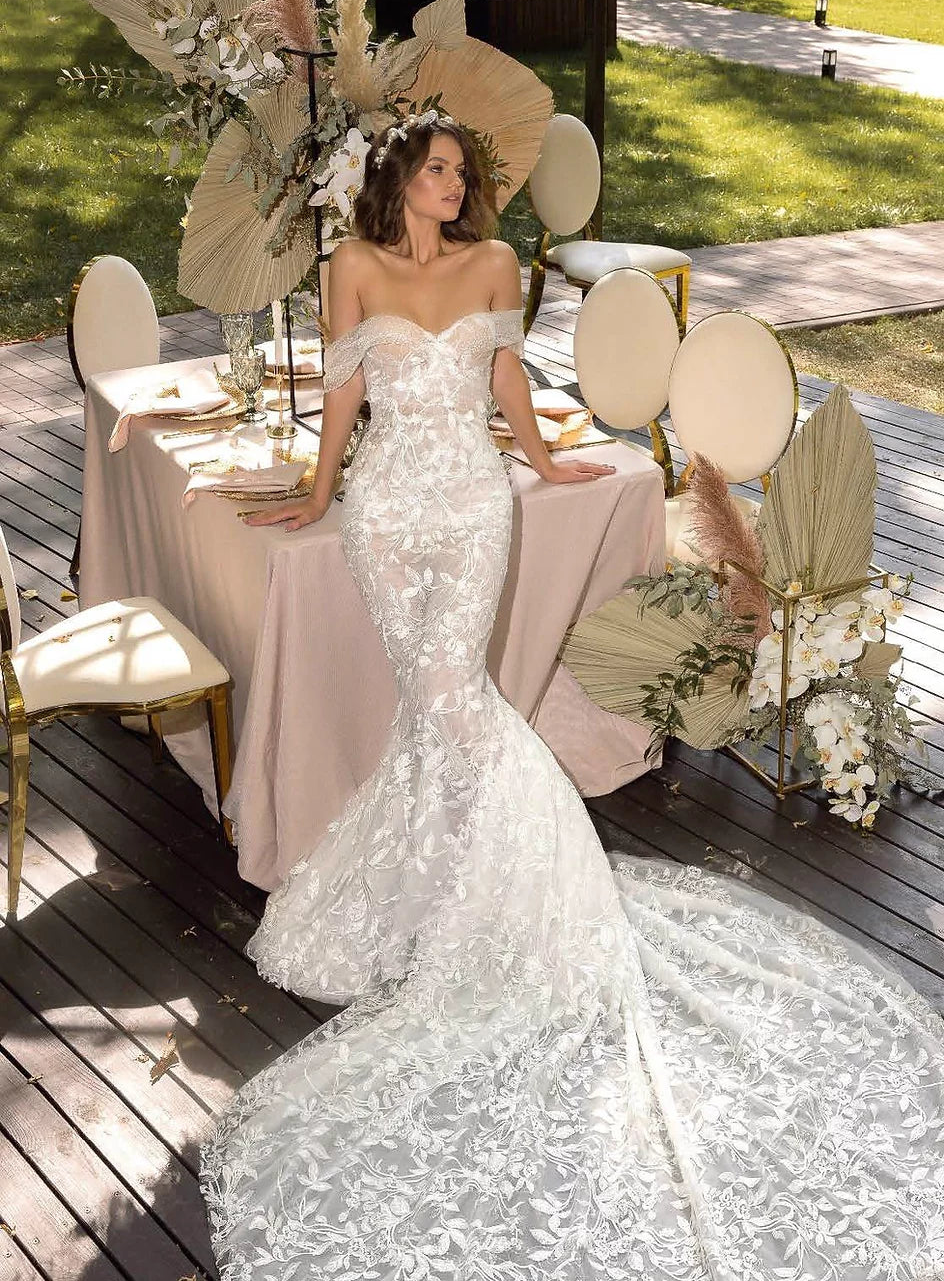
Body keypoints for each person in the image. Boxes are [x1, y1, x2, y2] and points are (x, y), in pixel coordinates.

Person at [201, 112, 944, 1280]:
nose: (455, 187)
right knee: (435, 708)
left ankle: (538, 906)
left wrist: (548, 465)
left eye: (462, 173)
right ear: (398, 176)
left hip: (473, 505)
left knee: (455, 698)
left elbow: (503, 378)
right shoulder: (350, 267)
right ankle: (451, 884)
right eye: (438, 170)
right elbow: (343, 399)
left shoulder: (496, 264)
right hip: (387, 513)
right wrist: (316, 493)